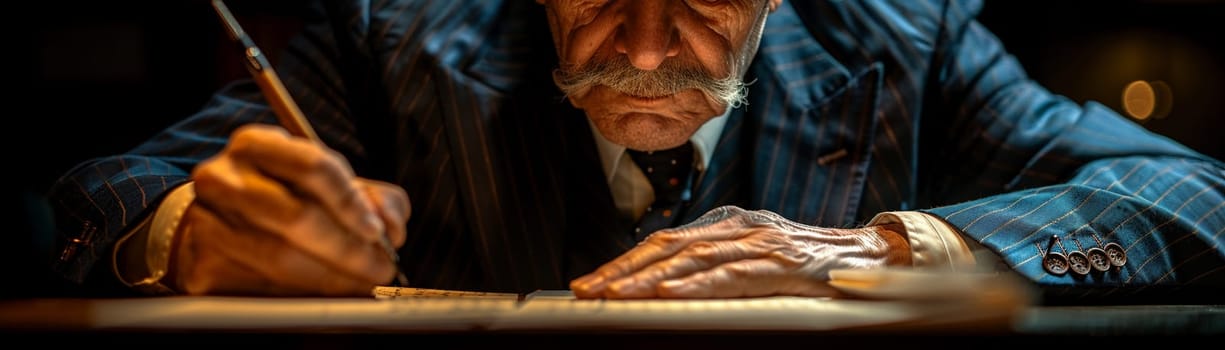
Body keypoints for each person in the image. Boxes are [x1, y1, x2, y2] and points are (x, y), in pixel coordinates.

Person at [45, 0, 1224, 302]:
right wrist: (194, 235)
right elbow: (92, 197)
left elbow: (1194, 188)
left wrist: (874, 244)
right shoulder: (393, 37)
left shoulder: (906, 39)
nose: (651, 46)